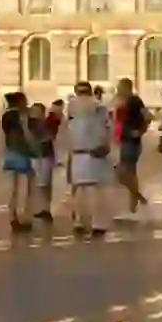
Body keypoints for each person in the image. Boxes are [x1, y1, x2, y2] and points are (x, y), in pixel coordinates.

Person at [67, 81, 112, 238]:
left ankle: (80, 221)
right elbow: (106, 128)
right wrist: (106, 145)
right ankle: (96, 224)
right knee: (95, 190)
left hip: (79, 152)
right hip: (94, 152)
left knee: (79, 189)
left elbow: (66, 132)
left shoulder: (71, 107)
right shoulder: (99, 107)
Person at [114, 77, 151, 220]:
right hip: (124, 140)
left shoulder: (134, 101)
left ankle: (138, 201)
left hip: (131, 142)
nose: (117, 89)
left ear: (126, 88)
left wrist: (140, 131)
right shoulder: (122, 101)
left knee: (124, 173)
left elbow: (148, 116)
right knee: (129, 173)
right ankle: (134, 207)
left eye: (119, 87)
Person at [1, 91, 35, 233]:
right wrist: (33, 147)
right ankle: (25, 217)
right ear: (19, 101)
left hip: (9, 152)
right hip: (21, 152)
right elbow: (26, 133)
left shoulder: (6, 116)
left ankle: (12, 216)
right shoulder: (21, 115)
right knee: (27, 185)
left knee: (13, 188)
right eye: (24, 100)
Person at [28, 102, 57, 224]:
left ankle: (45, 208)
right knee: (39, 184)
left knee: (44, 184)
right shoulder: (30, 124)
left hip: (44, 156)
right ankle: (41, 208)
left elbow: (49, 137)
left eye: (37, 111)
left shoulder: (45, 124)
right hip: (35, 156)